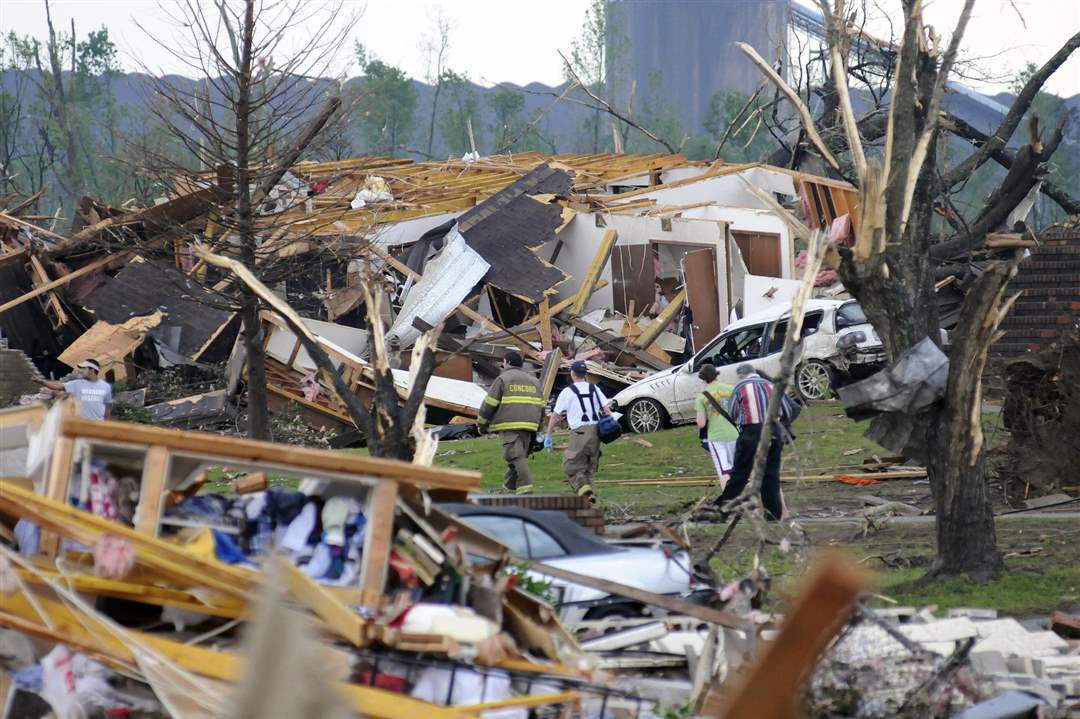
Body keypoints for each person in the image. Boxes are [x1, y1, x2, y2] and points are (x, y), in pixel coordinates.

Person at [714, 364, 797, 521]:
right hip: (774, 432)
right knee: (770, 475)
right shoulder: (771, 385)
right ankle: (773, 513)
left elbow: (732, 412)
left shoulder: (740, 386)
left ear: (741, 375)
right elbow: (787, 410)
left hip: (752, 433)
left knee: (740, 474)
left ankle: (722, 510)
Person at [476, 350, 544, 495]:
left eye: (503, 362)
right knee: (518, 457)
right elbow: (541, 406)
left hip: (510, 424)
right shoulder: (534, 381)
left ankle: (526, 489)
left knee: (515, 456)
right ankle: (508, 488)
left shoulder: (503, 379)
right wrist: (539, 427)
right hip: (530, 425)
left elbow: (489, 403)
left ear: (507, 363)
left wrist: (481, 424)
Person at [545, 360, 611, 504]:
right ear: (585, 373)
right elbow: (606, 410)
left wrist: (549, 435)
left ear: (572, 374)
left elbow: (555, 416)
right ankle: (590, 502)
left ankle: (585, 493)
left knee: (571, 466)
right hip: (596, 431)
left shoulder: (567, 392)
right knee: (589, 467)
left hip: (579, 432)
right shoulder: (594, 388)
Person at [694, 364, 737, 489]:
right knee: (737, 467)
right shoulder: (730, 389)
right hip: (734, 434)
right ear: (716, 374)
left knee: (724, 470)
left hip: (716, 437)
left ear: (702, 379)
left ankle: (728, 501)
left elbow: (701, 423)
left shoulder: (701, 397)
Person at [33, 358, 113, 420]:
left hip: (99, 426)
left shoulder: (105, 387)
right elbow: (56, 386)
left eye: (83, 368)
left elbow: (108, 409)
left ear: (92, 370)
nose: (80, 371)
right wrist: (41, 381)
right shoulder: (77, 384)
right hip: (83, 427)